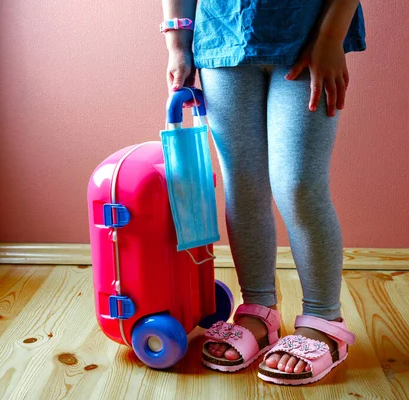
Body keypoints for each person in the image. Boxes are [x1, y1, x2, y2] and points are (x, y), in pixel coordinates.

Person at [161, 0, 366, 385]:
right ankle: (258, 309)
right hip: (223, 34)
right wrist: (177, 44)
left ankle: (324, 318)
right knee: (243, 183)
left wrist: (330, 36)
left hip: (310, 32)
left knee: (299, 185)